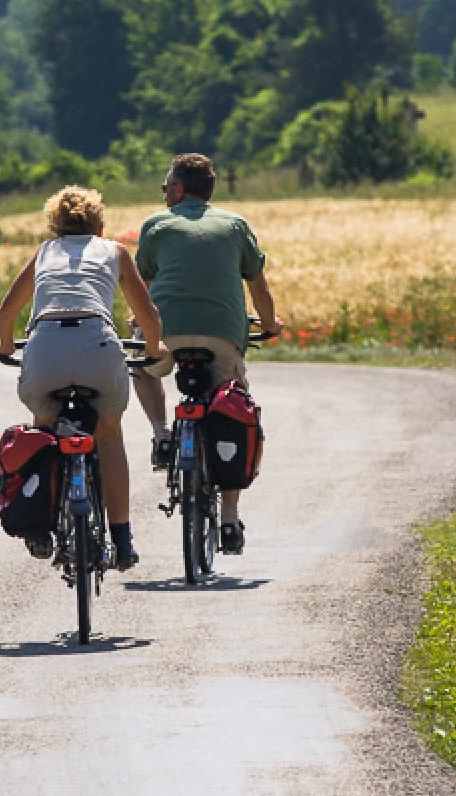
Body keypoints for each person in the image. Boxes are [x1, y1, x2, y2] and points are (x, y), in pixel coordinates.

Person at [0, 186, 167, 570]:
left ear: (54, 226)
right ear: (100, 226)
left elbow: (7, 312)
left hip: (45, 348)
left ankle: (40, 524)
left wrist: (5, 346)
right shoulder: (115, 253)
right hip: (98, 346)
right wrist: (154, 350)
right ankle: (122, 539)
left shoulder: (44, 253)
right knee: (108, 434)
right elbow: (149, 317)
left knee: (43, 430)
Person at [131, 153, 282, 555]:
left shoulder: (155, 226)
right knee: (233, 410)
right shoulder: (235, 226)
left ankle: (162, 435)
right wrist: (269, 324)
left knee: (143, 371)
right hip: (222, 337)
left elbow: (142, 288)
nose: (163, 193)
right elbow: (259, 290)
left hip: (165, 333)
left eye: (165, 186)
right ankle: (230, 520)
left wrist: (139, 324)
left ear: (179, 189)